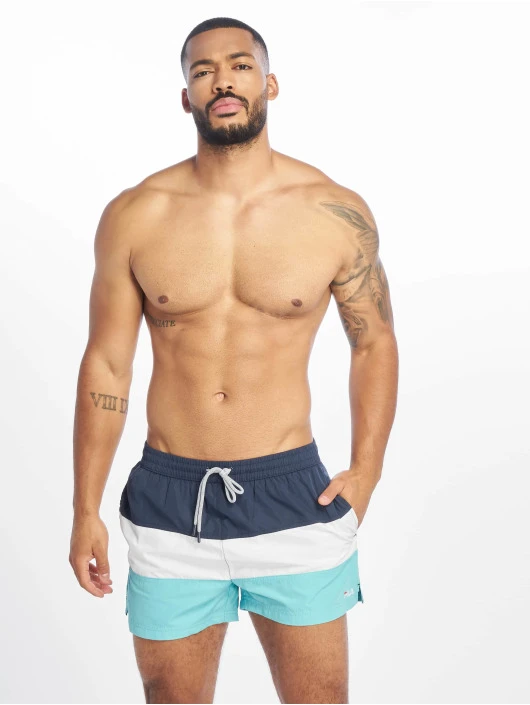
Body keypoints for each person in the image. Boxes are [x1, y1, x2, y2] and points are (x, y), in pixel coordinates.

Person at [69, 15, 399, 704]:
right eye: (203, 70)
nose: (222, 80)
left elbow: (373, 342)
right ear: (185, 96)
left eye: (240, 65)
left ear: (270, 84)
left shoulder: (333, 212)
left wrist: (366, 470)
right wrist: (84, 507)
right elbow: (106, 366)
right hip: (168, 498)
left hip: (293, 493)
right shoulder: (135, 215)